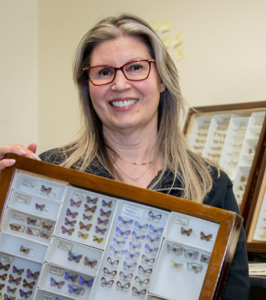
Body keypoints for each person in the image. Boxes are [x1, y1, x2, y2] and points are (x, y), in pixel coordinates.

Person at [0, 14, 249, 299]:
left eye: (135, 68)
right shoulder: (52, 172)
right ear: (88, 87)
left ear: (162, 80)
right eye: (104, 72)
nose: (119, 84)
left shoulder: (211, 185)